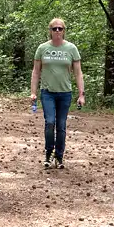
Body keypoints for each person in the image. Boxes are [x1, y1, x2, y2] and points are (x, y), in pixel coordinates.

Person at [29, 18, 85, 169]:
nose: (58, 31)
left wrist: (81, 94)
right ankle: (48, 153)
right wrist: (33, 92)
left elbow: (78, 73)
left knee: (61, 125)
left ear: (64, 31)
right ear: (50, 31)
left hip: (65, 93)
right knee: (50, 123)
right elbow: (36, 72)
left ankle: (59, 157)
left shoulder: (71, 49)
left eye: (60, 29)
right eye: (55, 29)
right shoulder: (42, 48)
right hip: (47, 93)